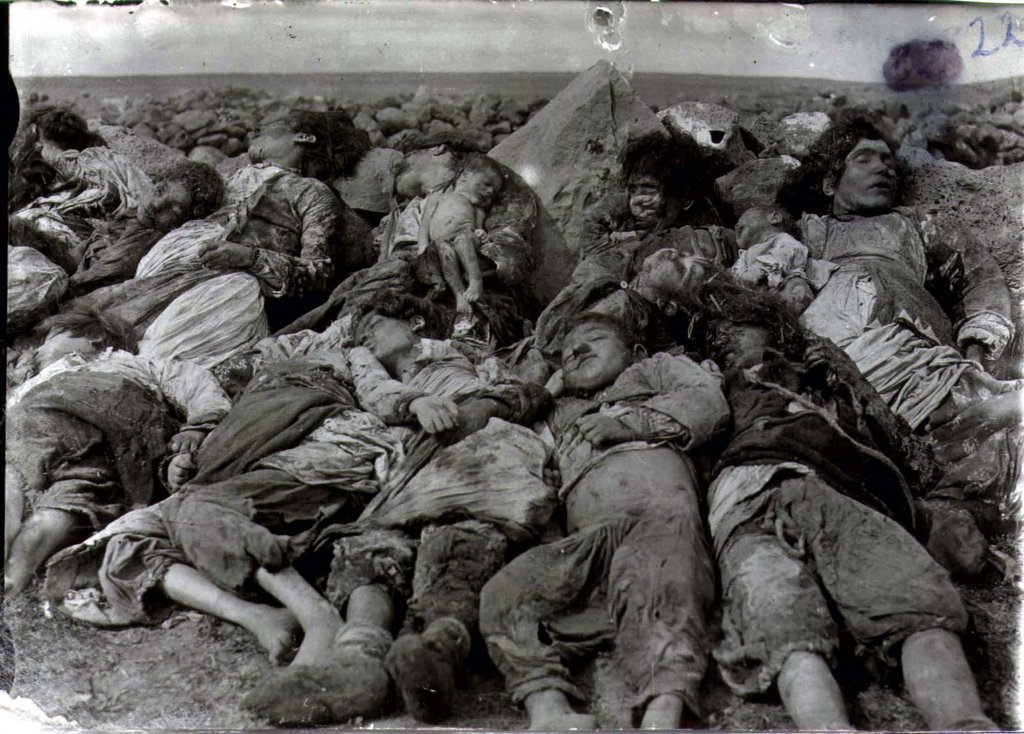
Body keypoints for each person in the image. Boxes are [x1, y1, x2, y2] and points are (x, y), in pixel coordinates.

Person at [692, 283, 997, 731]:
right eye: (715, 337)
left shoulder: (820, 383)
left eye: (736, 329)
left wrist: (845, 380)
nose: (723, 341)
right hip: (746, 498)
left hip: (836, 491)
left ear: (774, 331)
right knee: (781, 623)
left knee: (917, 599)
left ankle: (963, 723)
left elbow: (900, 452)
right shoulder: (705, 383)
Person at [780, 110, 1022, 576]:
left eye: (888, 160)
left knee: (996, 425)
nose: (883, 168)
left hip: (920, 355)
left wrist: (976, 349)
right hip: (841, 352)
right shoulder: (804, 232)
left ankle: (946, 513)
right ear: (830, 183)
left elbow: (980, 277)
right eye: (864, 159)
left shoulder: (918, 225)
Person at [479, 310, 729, 730]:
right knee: (504, 595)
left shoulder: (655, 369)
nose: (577, 349)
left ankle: (663, 709)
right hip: (589, 537)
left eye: (594, 338)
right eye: (567, 352)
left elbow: (708, 402)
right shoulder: (558, 413)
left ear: (635, 351)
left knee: (661, 588)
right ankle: (548, 707)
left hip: (658, 517)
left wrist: (627, 423)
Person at [5, 303, 231, 596]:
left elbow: (197, 386)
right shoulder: (34, 382)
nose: (37, 350)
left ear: (94, 337)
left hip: (114, 426)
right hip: (47, 435)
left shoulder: (134, 363)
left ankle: (14, 568)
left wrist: (198, 426)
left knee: (52, 485)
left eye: (49, 339)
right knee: (42, 485)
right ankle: (14, 568)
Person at [275, 131, 540, 350]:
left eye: (407, 158)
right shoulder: (404, 209)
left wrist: (440, 259)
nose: (397, 167)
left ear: (437, 149)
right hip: (382, 294)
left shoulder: (487, 178)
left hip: (446, 304)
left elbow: (510, 256)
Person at [68, 159, 225, 295]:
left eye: (173, 210)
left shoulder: (143, 240)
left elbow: (81, 283)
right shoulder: (133, 215)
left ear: (183, 223)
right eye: (160, 191)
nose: (156, 204)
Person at [414, 153, 504, 314]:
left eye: (494, 191)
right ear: (465, 175)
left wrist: (480, 232)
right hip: (442, 241)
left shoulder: (477, 209)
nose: (490, 191)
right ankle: (459, 295)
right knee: (445, 253)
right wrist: (422, 249)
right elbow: (424, 227)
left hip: (465, 237)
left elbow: (478, 228)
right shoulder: (437, 198)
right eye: (486, 184)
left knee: (462, 240)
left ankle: (476, 281)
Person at [729, 205, 835, 315]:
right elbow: (737, 272)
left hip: (784, 283)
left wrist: (754, 273)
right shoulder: (744, 254)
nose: (736, 226)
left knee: (796, 289)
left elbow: (784, 255)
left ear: (775, 218)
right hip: (760, 293)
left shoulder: (783, 239)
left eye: (744, 218)